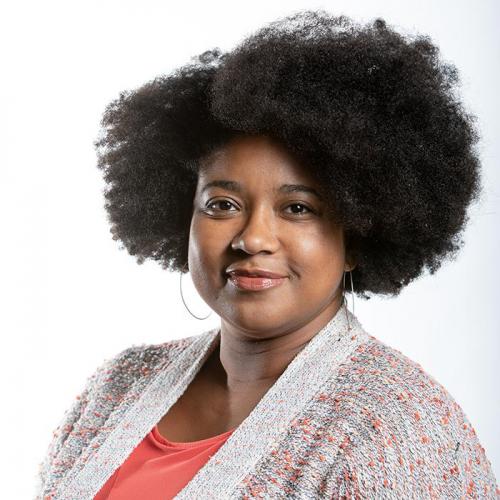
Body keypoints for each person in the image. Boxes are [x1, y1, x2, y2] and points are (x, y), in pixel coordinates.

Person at [35, 10, 499, 499]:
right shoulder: (118, 388)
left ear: (356, 237)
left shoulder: (392, 428)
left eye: (298, 208)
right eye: (222, 205)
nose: (253, 238)